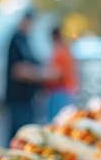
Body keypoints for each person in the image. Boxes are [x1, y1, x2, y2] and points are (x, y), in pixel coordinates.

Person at [5, 12, 41, 142]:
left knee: (26, 135)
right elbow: (18, 70)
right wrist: (41, 74)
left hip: (28, 99)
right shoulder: (17, 40)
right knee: (18, 136)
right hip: (18, 98)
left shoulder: (26, 40)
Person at [46, 26, 79, 122]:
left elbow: (56, 75)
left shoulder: (58, 51)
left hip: (59, 92)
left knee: (57, 122)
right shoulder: (66, 49)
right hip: (68, 91)